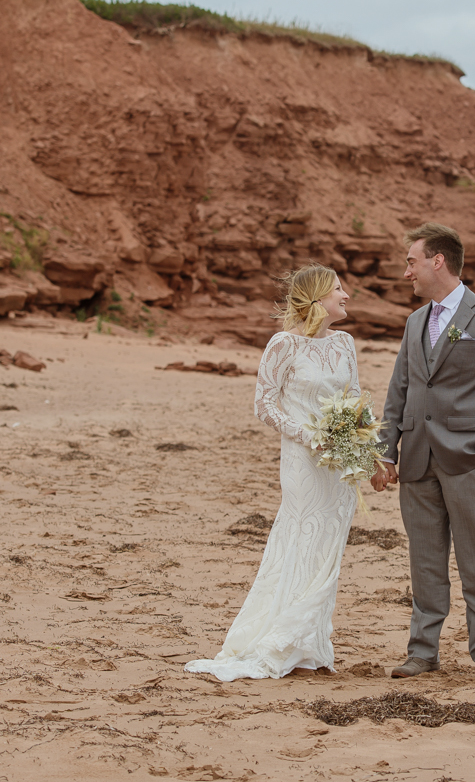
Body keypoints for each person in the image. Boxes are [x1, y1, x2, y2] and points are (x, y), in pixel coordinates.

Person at [185, 264, 360, 682]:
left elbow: (354, 400)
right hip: (303, 460)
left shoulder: (346, 343)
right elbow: (265, 404)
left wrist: (360, 454)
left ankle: (309, 645)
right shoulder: (284, 344)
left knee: (327, 546)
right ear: (318, 297)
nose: (347, 295)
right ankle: (280, 639)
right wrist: (308, 435)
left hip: (339, 465)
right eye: (338, 288)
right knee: (300, 538)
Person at [371, 223, 475, 681]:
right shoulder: (416, 321)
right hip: (416, 458)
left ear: (438, 261)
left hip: (468, 457)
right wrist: (386, 450)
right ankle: (422, 651)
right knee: (425, 560)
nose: (406, 272)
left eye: (411, 261)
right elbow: (400, 389)